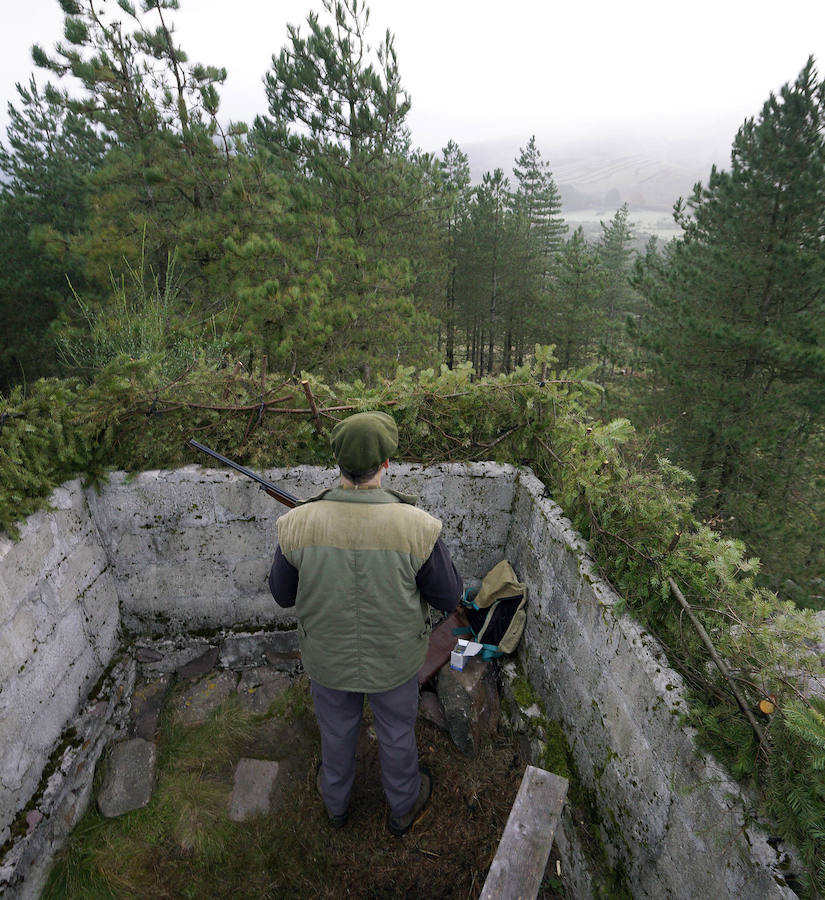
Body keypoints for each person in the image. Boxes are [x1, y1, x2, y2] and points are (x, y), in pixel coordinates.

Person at [268, 411, 462, 835]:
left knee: (336, 732)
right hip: (394, 661)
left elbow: (282, 595)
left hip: (328, 661)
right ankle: (403, 807)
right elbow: (448, 597)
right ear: (386, 463)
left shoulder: (297, 524)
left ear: (337, 465)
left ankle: (335, 804)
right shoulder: (419, 527)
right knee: (396, 733)